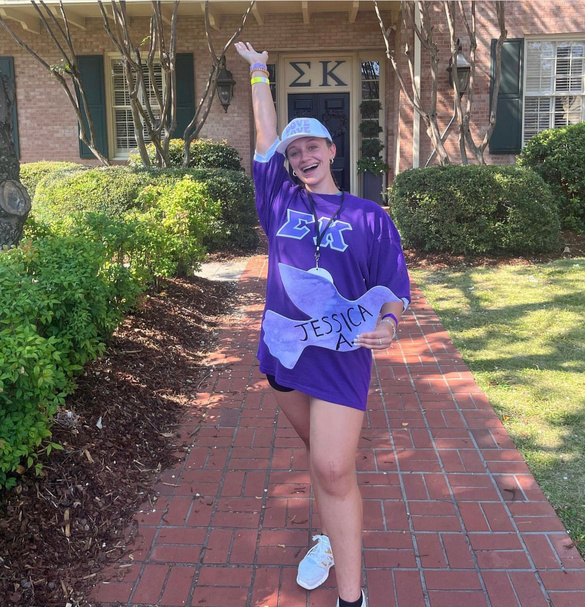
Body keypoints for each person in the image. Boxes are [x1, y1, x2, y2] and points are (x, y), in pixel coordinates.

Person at [235, 41, 410, 607]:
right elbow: (264, 138)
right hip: (284, 354)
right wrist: (260, 71)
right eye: (295, 152)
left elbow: (393, 288)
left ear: (332, 149)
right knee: (322, 460)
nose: (302, 156)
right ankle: (331, 537)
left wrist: (389, 323)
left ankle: (351, 598)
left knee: (333, 467)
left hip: (340, 357)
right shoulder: (279, 201)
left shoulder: (369, 216)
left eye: (312, 146)